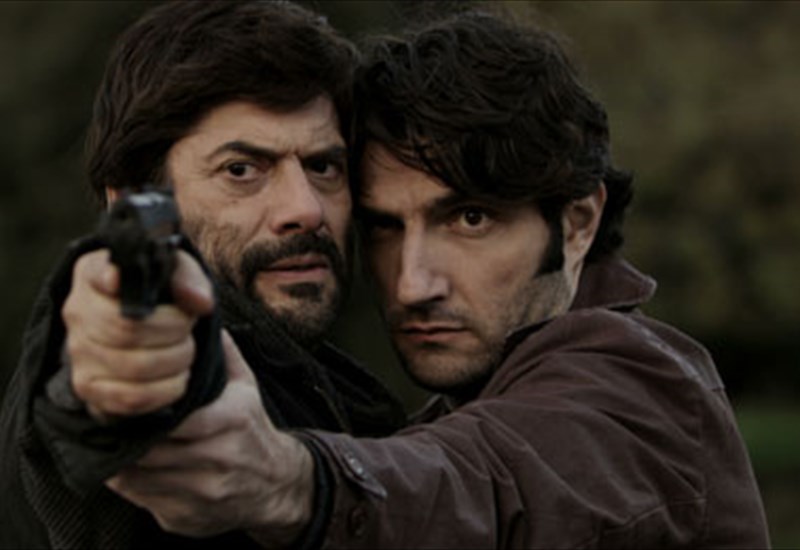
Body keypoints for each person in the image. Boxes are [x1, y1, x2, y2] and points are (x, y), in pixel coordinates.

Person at [98, 8, 771, 549]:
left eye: (469, 219)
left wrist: (288, 479)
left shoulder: (640, 392)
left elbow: (487, 482)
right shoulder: (463, 401)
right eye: (386, 227)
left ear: (577, 223)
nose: (413, 285)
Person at [0, 2, 405, 549]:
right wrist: (118, 360)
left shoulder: (340, 389)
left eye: (322, 166)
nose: (306, 208)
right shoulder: (165, 344)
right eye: (241, 170)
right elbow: (90, 392)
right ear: (135, 202)